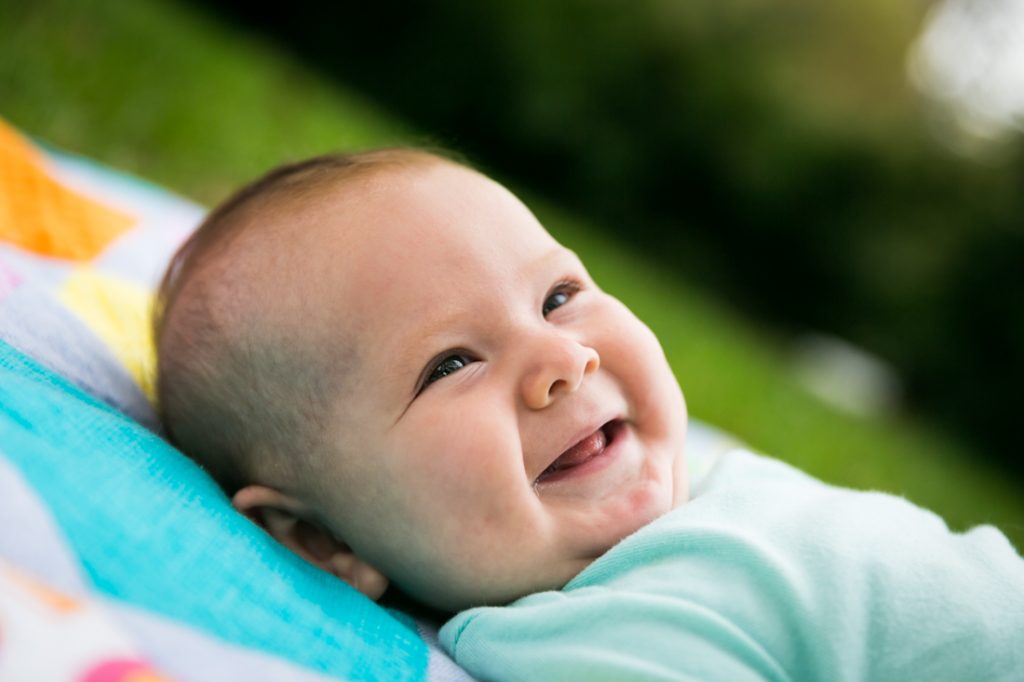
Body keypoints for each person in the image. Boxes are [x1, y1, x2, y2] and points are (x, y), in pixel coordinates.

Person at [155, 149, 1024, 680]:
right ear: (320, 541)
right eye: (450, 363)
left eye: (560, 294)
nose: (563, 360)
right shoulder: (598, 632)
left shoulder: (706, 489)